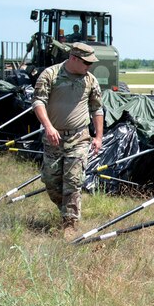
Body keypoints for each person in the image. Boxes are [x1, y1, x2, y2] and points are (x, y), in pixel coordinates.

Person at [32, 43, 104, 232]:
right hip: (53, 138)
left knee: (72, 182)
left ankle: (69, 226)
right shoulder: (51, 75)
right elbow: (38, 101)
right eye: (86, 63)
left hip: (79, 139)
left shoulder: (90, 80)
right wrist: (48, 127)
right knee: (51, 182)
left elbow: (97, 109)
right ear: (73, 58)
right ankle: (65, 211)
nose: (89, 66)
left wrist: (98, 137)